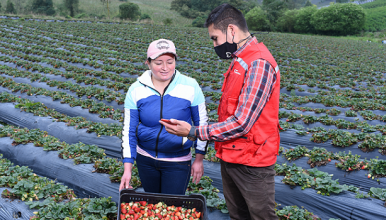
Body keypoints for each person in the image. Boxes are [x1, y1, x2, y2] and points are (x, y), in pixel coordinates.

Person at [161, 4, 281, 220]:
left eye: (215, 38)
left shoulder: (259, 63)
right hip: (234, 154)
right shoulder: (241, 58)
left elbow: (242, 122)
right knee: (238, 216)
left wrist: (194, 131)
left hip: (252, 162)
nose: (215, 44)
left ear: (232, 31)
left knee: (261, 217)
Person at [119, 39, 209, 195]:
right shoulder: (136, 89)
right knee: (154, 206)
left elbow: (202, 124)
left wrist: (199, 159)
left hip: (178, 162)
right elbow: (129, 130)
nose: (165, 68)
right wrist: (128, 167)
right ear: (148, 63)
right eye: (158, 62)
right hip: (145, 160)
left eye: (170, 61)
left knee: (172, 207)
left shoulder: (190, 86)